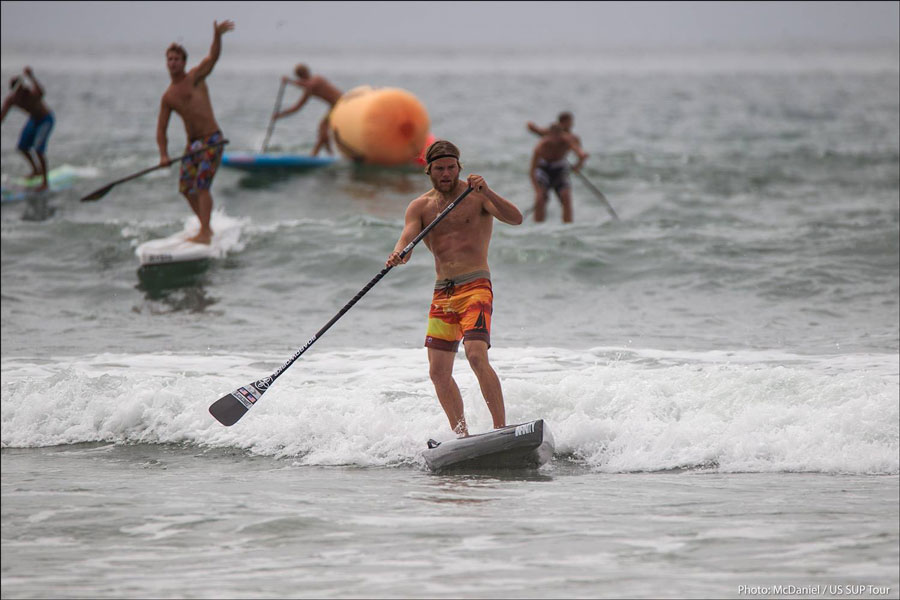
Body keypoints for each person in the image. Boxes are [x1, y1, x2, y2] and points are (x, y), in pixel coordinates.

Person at [386, 140, 523, 436]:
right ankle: (462, 437)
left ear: (459, 167)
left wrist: (487, 191)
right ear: (429, 171)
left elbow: (516, 218)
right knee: (438, 372)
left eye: (451, 167)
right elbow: (406, 242)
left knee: (475, 355)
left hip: (476, 286)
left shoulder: (476, 197)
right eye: (439, 169)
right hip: (443, 294)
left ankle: (501, 429)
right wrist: (399, 254)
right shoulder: (420, 207)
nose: (446, 173)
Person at [156, 20, 234, 245]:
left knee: (201, 186)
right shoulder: (168, 96)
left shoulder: (195, 78)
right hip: (194, 145)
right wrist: (163, 154)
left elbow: (213, 58)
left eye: (176, 59)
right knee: (185, 188)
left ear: (184, 62)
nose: (172, 63)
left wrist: (217, 36)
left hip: (212, 139)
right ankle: (205, 226)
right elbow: (161, 129)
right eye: (169, 59)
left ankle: (206, 231)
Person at [1, 67, 55, 191]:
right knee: (22, 147)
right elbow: (2, 117)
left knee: (38, 150)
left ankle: (45, 182)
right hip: (34, 120)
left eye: (22, 89)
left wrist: (31, 76)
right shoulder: (12, 100)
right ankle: (36, 170)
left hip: (46, 119)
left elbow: (42, 92)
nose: (21, 93)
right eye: (17, 91)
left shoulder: (31, 93)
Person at [272, 64, 343, 156]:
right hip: (334, 107)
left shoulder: (317, 80)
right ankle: (328, 155)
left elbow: (309, 84)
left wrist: (290, 81)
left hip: (341, 104)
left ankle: (317, 154)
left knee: (323, 127)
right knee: (323, 129)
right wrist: (279, 115)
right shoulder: (309, 90)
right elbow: (297, 107)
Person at [528, 117, 588, 223]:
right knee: (540, 199)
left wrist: (577, 166)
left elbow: (582, 154)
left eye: (558, 136)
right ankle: (537, 226)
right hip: (544, 169)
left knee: (566, 196)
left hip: (560, 169)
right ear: (548, 135)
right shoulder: (541, 146)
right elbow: (532, 171)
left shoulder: (567, 140)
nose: (555, 140)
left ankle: (568, 225)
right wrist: (538, 191)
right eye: (553, 137)